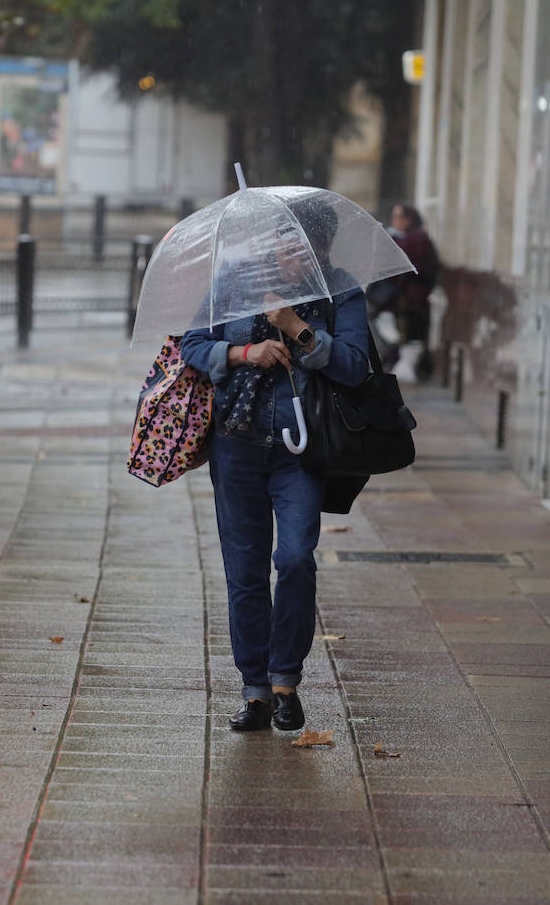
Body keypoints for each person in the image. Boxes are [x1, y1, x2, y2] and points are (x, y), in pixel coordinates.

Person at [180, 200, 371, 732]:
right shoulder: (235, 281)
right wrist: (245, 353)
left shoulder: (341, 291)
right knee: (244, 573)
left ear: (321, 250)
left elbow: (356, 367)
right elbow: (192, 344)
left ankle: (287, 678)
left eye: (302, 246)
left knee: (293, 558)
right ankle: (257, 690)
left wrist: (297, 329)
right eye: (282, 242)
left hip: (300, 451)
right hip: (236, 446)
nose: (289, 253)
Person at [382, 204, 439, 381]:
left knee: (409, 336)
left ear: (408, 220)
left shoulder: (416, 239)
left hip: (412, 300)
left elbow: (400, 264)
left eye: (399, 217)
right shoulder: (411, 238)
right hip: (407, 299)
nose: (395, 222)